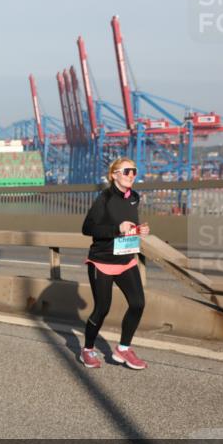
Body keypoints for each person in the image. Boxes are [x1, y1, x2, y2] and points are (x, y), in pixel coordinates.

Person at [81, 158, 150, 370]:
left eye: (134, 171)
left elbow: (129, 225)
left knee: (138, 303)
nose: (131, 175)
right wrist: (117, 228)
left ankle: (123, 349)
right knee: (102, 309)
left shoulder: (135, 197)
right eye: (127, 171)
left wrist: (138, 230)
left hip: (126, 259)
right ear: (114, 174)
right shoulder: (104, 198)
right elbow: (88, 228)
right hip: (102, 261)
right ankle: (87, 350)